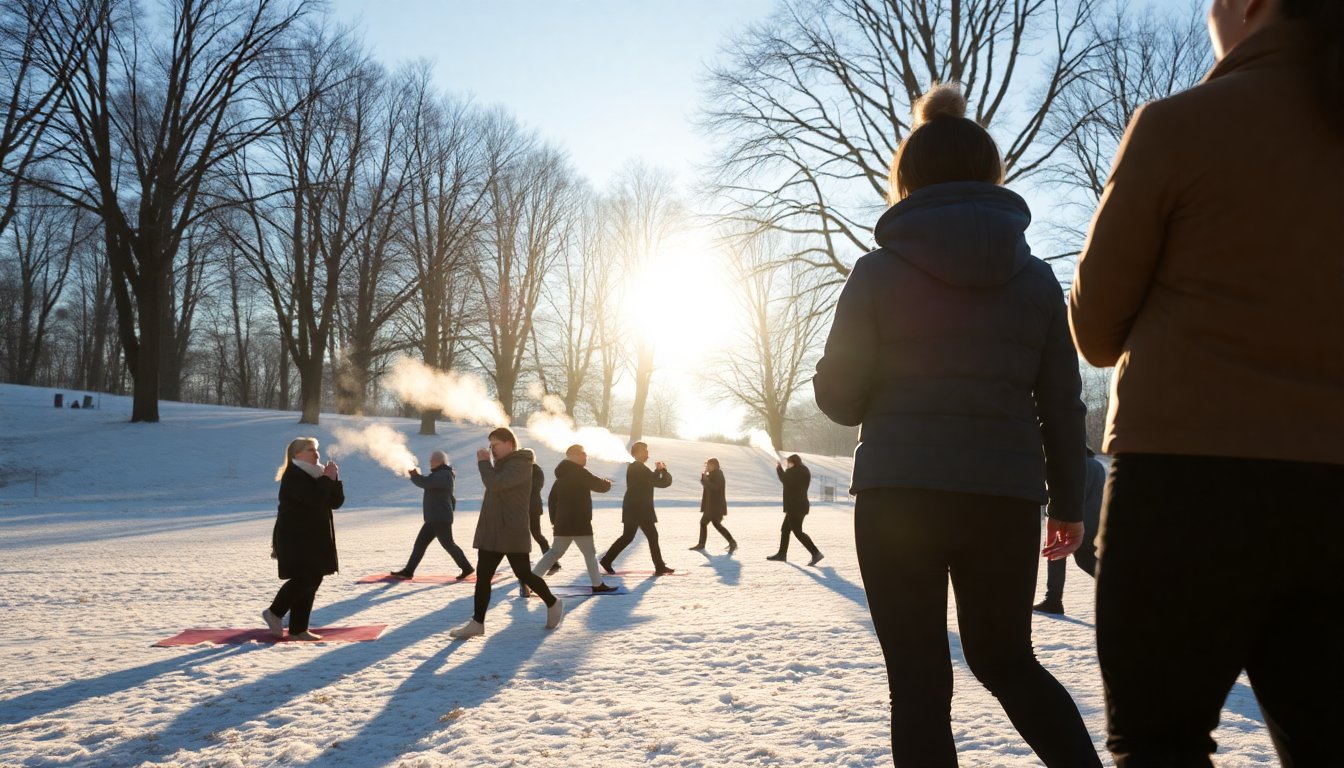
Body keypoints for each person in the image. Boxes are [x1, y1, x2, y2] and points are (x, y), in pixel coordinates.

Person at [1069, 2, 1344, 764]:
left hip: (1185, 491)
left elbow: (1094, 331)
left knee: (1159, 744)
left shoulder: (1180, 126)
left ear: (1251, 6)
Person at [812, 83, 1101, 767]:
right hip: (1003, 497)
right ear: (992, 177)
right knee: (1006, 660)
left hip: (898, 495)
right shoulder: (1036, 281)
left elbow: (841, 400)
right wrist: (1067, 502)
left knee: (917, 680)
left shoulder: (877, 273)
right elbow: (1063, 405)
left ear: (907, 178)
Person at [448, 427, 563, 639]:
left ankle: (553, 603)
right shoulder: (504, 464)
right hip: (493, 531)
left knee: (524, 574)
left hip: (511, 531)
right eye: (490, 446)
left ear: (509, 443)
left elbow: (495, 484)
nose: (492, 450)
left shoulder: (521, 464)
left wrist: (483, 462)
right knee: (483, 577)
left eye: (495, 445)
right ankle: (477, 622)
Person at [262, 437, 344, 642]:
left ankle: (299, 629)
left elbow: (335, 502)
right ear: (297, 454)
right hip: (295, 538)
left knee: (312, 577)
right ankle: (275, 613)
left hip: (313, 537)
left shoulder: (317, 474)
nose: (316, 453)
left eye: (316, 449)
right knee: (307, 577)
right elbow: (314, 500)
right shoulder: (293, 476)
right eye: (310, 450)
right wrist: (326, 479)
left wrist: (334, 480)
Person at [532, 444, 618, 593]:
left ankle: (531, 580)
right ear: (573, 455)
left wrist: (554, 521)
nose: (585, 457)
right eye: (583, 454)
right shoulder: (580, 472)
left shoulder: (561, 476)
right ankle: (597, 585)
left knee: (555, 552)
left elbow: (552, 500)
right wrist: (607, 482)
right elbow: (600, 486)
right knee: (590, 553)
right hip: (579, 521)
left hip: (563, 522)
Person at [1033, 448, 1104, 615]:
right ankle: (1119, 587)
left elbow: (1067, 495)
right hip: (1094, 521)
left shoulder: (1074, 465)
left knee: (1055, 554)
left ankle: (1053, 601)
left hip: (1072, 519)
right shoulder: (1097, 465)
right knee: (1085, 559)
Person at [389, 451, 474, 581]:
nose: (430, 462)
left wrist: (415, 476)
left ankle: (467, 567)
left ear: (439, 461)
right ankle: (408, 571)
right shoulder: (440, 474)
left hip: (440, 519)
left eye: (431, 461)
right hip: (434, 518)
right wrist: (416, 476)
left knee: (448, 544)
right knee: (420, 544)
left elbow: (426, 483)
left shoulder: (444, 474)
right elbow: (428, 482)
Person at [600, 442, 675, 576]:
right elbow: (660, 482)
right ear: (638, 453)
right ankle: (659, 566)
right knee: (647, 536)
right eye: (645, 451)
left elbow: (652, 480)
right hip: (638, 509)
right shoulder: (638, 468)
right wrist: (662, 471)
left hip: (635, 507)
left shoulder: (637, 467)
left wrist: (659, 471)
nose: (648, 454)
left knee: (630, 537)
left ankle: (607, 560)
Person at [767, 454, 823, 566]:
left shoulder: (796, 472)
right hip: (798, 506)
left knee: (797, 532)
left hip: (795, 507)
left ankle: (816, 553)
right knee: (785, 529)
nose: (787, 465)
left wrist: (779, 468)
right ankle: (782, 554)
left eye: (789, 463)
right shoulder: (802, 470)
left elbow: (785, 480)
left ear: (793, 463)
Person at [689, 457, 736, 552]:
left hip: (715, 506)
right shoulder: (712, 474)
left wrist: (705, 480)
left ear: (714, 465)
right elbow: (709, 486)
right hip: (711, 506)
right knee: (712, 524)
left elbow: (715, 488)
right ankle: (731, 542)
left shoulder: (718, 474)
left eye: (708, 465)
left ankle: (702, 544)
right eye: (706, 465)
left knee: (711, 523)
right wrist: (704, 478)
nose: (707, 466)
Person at [528, 461, 554, 572]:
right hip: (522, 508)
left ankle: (551, 560)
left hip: (533, 508)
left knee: (536, 534)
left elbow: (536, 487)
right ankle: (522, 559)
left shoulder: (536, 471)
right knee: (521, 534)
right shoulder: (524, 470)